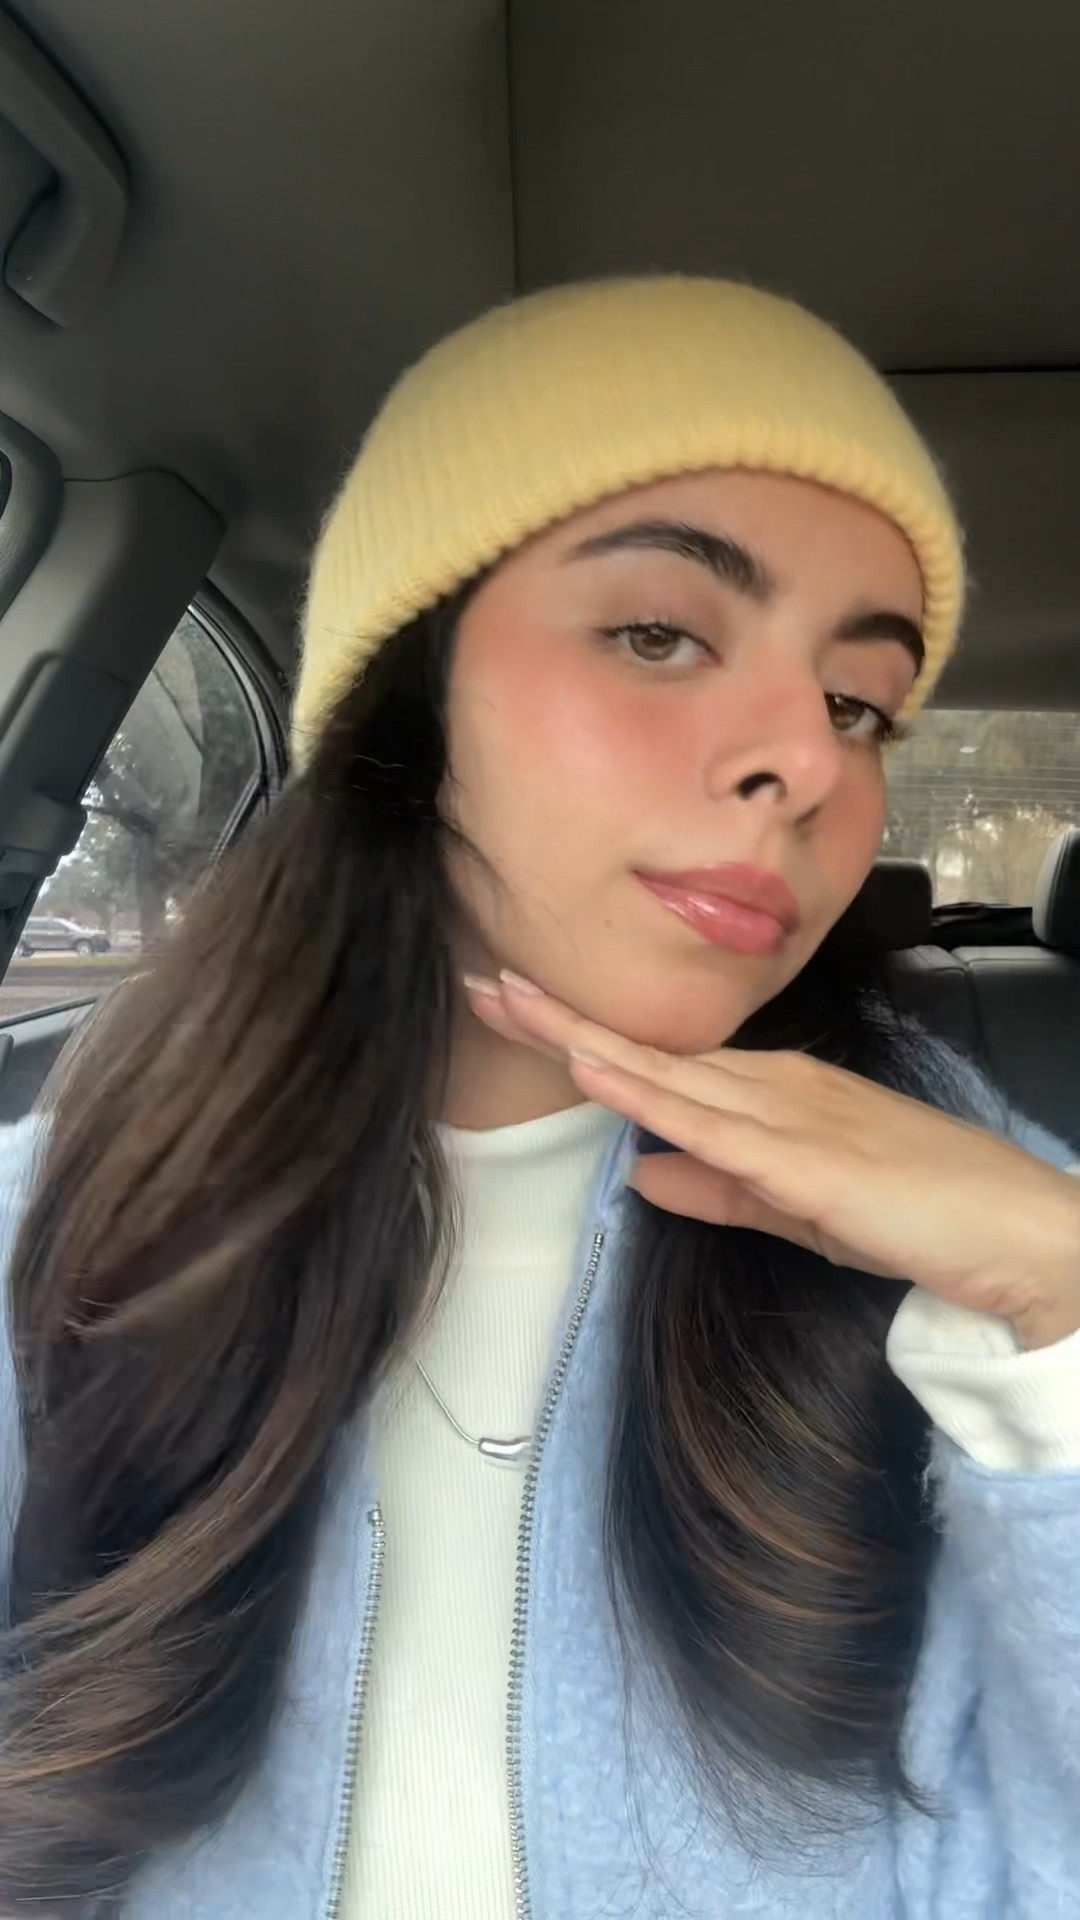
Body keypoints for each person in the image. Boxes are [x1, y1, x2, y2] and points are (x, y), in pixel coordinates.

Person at [1, 276, 1079, 1920]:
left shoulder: (969, 1224)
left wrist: (1061, 1294)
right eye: (659, 635)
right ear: (411, 692)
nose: (807, 759)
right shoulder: (69, 1202)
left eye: (861, 703)